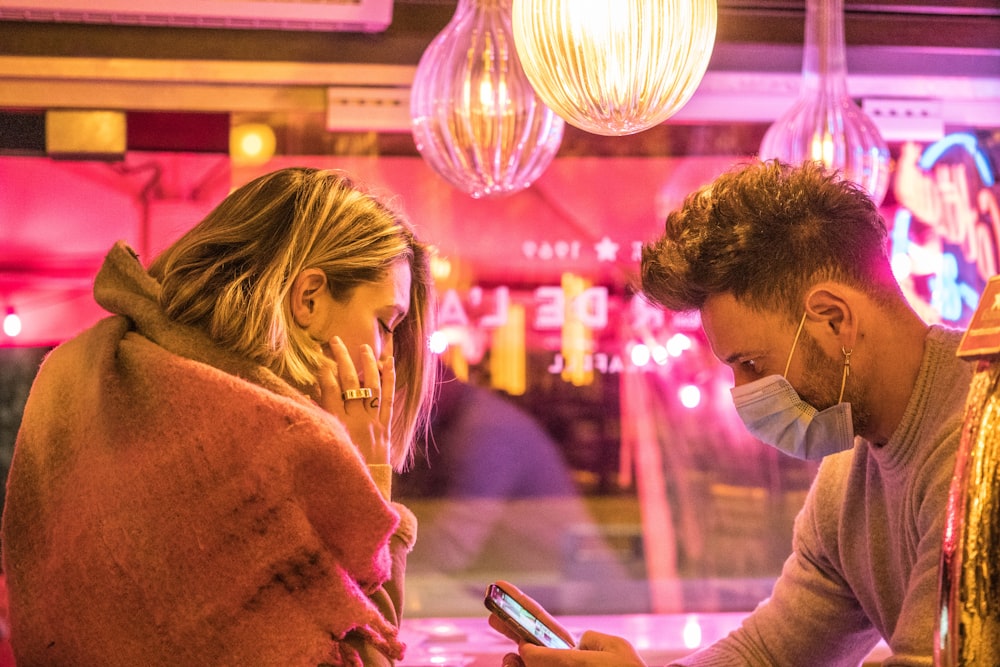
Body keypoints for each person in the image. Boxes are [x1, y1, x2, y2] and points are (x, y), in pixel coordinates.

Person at [491, 159, 975, 665]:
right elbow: (769, 652)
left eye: (750, 363)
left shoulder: (979, 448)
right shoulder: (848, 469)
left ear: (834, 320)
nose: (740, 390)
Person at [1, 167, 437, 666]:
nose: (387, 357)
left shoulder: (72, 371)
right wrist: (367, 481)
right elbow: (364, 657)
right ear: (309, 298)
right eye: (386, 323)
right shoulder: (281, 442)